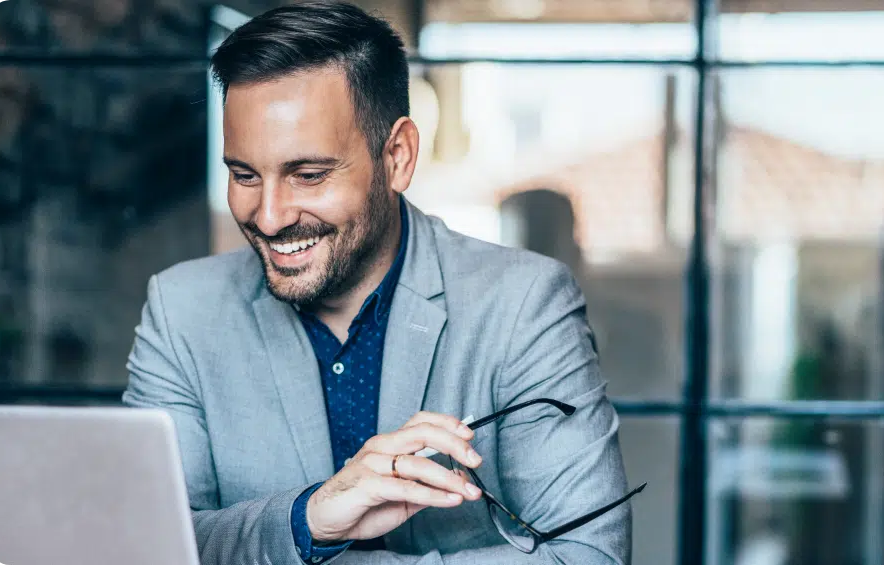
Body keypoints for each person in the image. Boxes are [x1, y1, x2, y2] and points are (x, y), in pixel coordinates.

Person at [122, 2, 633, 564]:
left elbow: (590, 555)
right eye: (244, 175)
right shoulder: (181, 310)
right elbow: (150, 545)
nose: (268, 217)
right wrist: (310, 518)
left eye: (308, 175)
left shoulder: (523, 304)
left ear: (398, 156)